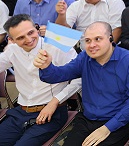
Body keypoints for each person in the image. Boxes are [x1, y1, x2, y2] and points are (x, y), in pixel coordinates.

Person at [34, 21, 129, 146]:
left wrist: (107, 128)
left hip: (118, 121)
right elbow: (60, 74)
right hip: (87, 120)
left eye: (97, 39)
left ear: (110, 38)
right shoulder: (84, 57)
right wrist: (46, 67)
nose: (92, 45)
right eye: (87, 41)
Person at [0, 15, 80, 146]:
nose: (29, 39)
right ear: (11, 40)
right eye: (20, 37)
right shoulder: (12, 50)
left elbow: (79, 78)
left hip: (52, 113)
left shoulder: (57, 46)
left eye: (31, 32)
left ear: (37, 29)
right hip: (21, 111)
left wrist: (55, 101)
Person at [57, 0, 126, 42]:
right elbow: (62, 30)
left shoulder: (115, 2)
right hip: (84, 49)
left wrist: (106, 49)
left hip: (109, 48)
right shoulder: (75, 6)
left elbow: (117, 30)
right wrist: (61, 15)